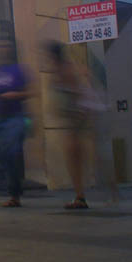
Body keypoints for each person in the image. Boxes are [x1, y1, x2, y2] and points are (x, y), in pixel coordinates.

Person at [0, 40, 32, 208]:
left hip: (15, 116)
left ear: (10, 50)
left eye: (3, 47)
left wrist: (14, 95)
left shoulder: (18, 70)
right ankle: (13, 189)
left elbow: (31, 91)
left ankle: (14, 192)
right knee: (2, 153)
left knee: (11, 149)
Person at [47, 41, 94, 210]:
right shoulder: (61, 71)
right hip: (72, 121)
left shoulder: (66, 71)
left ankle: (81, 196)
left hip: (75, 121)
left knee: (75, 159)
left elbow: (77, 94)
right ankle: (80, 195)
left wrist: (76, 117)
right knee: (74, 159)